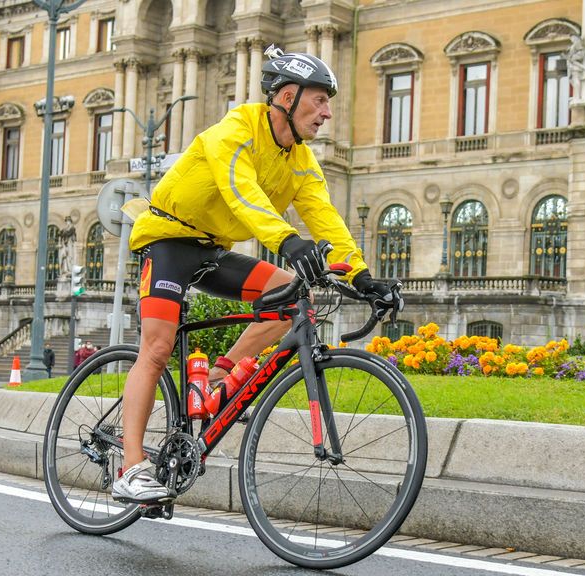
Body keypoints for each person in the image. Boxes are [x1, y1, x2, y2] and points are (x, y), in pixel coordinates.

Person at [112, 45, 403, 503]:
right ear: (287, 96)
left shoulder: (302, 160)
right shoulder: (236, 130)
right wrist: (288, 241)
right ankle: (130, 467)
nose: (327, 112)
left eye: (328, 102)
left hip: (211, 248)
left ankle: (217, 382)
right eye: (320, 100)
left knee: (288, 300)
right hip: (167, 239)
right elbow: (241, 192)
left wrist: (362, 278)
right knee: (157, 347)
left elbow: (326, 218)